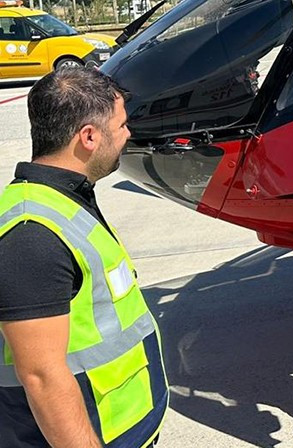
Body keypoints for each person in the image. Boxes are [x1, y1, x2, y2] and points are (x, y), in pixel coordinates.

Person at [0, 66, 168, 447]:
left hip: (121, 427)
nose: (128, 134)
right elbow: (42, 376)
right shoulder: (32, 235)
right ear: (89, 137)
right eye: (122, 125)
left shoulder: (64, 199)